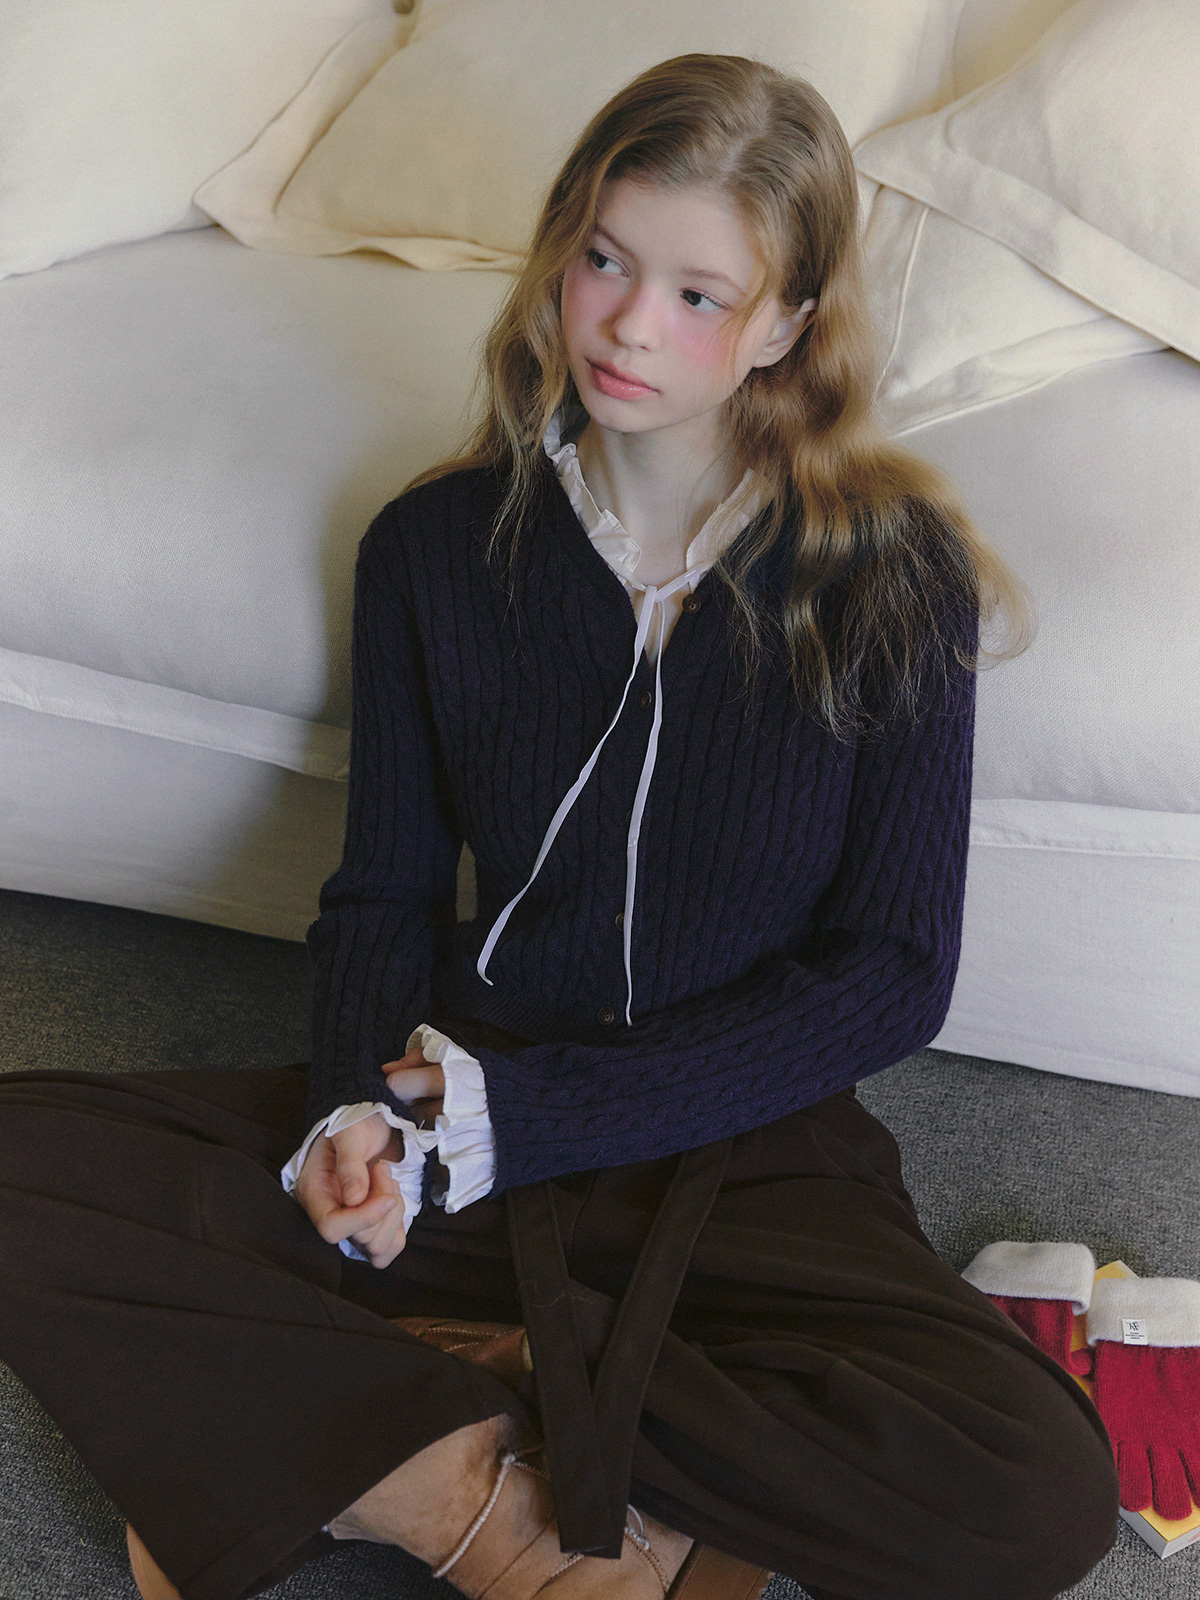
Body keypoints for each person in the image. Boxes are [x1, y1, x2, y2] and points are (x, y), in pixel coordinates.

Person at [0, 53, 1119, 1600]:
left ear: (787, 324)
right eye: (605, 260)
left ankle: (436, 1391)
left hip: (748, 1133)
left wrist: (537, 1121)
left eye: (699, 295)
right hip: (461, 1095)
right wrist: (352, 1114)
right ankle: (480, 1477)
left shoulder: (889, 575)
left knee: (1041, 1490)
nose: (628, 326)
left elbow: (893, 974)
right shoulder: (433, 549)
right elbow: (383, 892)